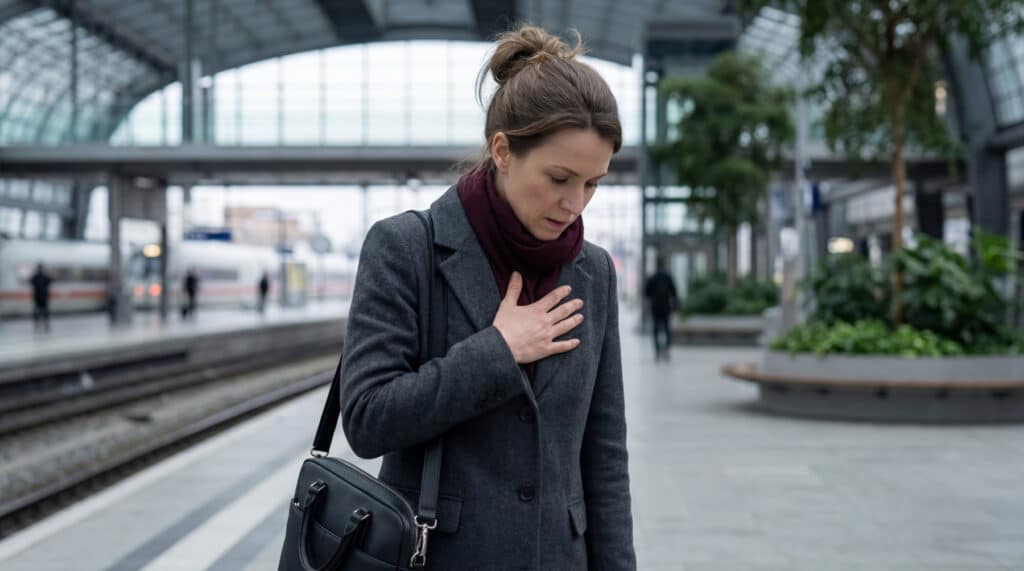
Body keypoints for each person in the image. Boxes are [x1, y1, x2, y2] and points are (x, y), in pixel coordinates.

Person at [338, 25, 635, 570]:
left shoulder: (593, 271)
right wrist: (496, 351)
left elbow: (605, 456)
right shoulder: (407, 249)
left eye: (592, 184)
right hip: (439, 556)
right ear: (503, 151)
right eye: (559, 177)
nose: (575, 204)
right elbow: (366, 418)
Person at [644, 256, 679, 362]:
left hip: (655, 307)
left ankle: (657, 350)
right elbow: (674, 292)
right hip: (665, 306)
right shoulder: (668, 277)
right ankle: (667, 349)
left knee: (656, 328)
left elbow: (646, 292)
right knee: (667, 328)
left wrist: (653, 297)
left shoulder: (653, 277)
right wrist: (675, 305)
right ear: (664, 264)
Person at [30, 263, 52, 333]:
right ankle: (44, 325)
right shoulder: (44, 277)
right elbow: (50, 281)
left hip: (39, 297)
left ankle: (40, 325)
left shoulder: (35, 277)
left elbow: (31, 281)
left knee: (40, 312)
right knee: (43, 312)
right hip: (42, 297)